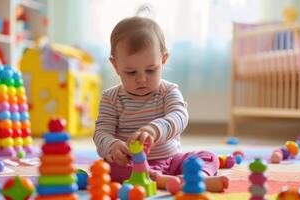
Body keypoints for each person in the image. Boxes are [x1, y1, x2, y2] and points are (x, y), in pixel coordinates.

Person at [93, 16, 228, 192]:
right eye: (131, 72)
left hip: (172, 160)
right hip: (133, 166)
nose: (141, 79)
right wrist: (112, 146)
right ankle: (174, 181)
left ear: (163, 60)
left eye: (150, 70)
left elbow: (179, 116)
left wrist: (154, 129)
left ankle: (195, 176)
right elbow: (101, 132)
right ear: (116, 65)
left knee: (208, 157)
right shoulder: (110, 98)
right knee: (107, 168)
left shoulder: (168, 91)